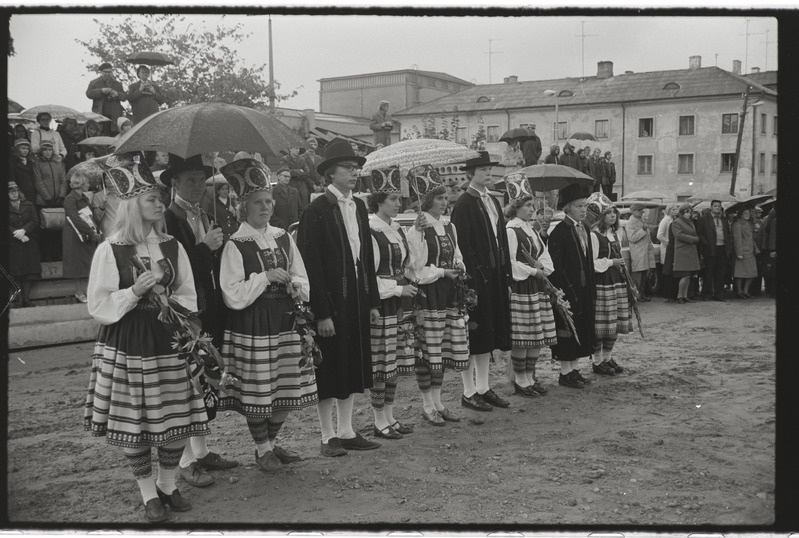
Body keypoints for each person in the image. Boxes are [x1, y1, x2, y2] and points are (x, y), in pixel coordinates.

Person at [84, 152, 209, 522]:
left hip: (170, 338)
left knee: (177, 415)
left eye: (159, 198)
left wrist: (173, 305)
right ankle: (147, 492)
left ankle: (167, 484)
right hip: (130, 340)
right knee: (136, 422)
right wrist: (134, 292)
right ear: (132, 204)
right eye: (152, 199)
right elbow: (98, 304)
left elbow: (189, 293)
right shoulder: (111, 249)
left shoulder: (171, 245)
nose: (159, 204)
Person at [217, 158, 318, 472]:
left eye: (268, 202)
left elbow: (301, 276)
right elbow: (231, 292)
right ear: (244, 207)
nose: (265, 207)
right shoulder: (236, 244)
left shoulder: (283, 237)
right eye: (258, 202)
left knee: (287, 386)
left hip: (286, 319)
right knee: (259, 391)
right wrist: (264, 277)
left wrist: (294, 285)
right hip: (254, 323)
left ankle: (270, 445)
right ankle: (262, 450)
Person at [296, 138, 382, 457]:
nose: (354, 172)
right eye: (348, 167)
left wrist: (372, 301)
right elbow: (310, 264)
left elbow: (365, 257)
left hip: (356, 297)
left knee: (352, 362)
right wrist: (321, 312)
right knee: (330, 367)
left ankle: (346, 430)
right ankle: (326, 434)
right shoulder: (316, 210)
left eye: (356, 167)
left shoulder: (358, 206)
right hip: (331, 300)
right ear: (331, 172)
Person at [162, 154, 238, 487]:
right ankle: (185, 460)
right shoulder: (168, 219)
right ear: (174, 182)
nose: (197, 186)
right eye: (190, 180)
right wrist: (205, 247)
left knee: (206, 378)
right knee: (188, 383)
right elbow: (173, 268)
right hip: (185, 310)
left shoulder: (206, 214)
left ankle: (202, 450)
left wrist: (219, 247)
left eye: (201, 180)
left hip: (210, 305)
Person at [450, 151, 512, 412]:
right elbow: (461, 245)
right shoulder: (464, 203)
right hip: (475, 278)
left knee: (488, 333)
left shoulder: (493, 200)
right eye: (483, 170)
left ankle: (484, 387)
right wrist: (468, 280)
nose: (488, 173)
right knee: (473, 335)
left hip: (495, 275)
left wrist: (505, 272)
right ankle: (468, 391)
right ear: (470, 174)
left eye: (489, 169)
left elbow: (501, 238)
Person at [406, 166, 468, 425]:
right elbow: (416, 269)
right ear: (427, 201)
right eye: (439, 198)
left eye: (445, 198)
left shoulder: (449, 226)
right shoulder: (417, 230)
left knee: (442, 349)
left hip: (448, 294)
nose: (444, 202)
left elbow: (457, 255)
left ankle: (438, 402)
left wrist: (459, 266)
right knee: (428, 351)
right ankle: (427, 404)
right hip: (429, 295)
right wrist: (442, 271)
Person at [366, 166, 418, 437]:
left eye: (399, 198)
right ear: (378, 202)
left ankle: (389, 416)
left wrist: (418, 233)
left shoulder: (395, 229)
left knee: (394, 361)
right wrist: (398, 289)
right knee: (382, 363)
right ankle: (378, 420)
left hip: (399, 302)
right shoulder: (371, 231)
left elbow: (408, 264)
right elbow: (369, 277)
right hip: (384, 302)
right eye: (393, 199)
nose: (398, 203)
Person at [503, 176, 556, 397]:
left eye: (532, 205)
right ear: (516, 207)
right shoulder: (511, 230)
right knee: (523, 336)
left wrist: (543, 267)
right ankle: (520, 380)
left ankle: (530, 377)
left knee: (536, 335)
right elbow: (510, 262)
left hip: (536, 288)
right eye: (527, 205)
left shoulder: (531, 230)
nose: (532, 209)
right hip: (521, 288)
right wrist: (534, 271)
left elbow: (543, 253)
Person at [547, 182, 596, 388]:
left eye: (585, 206)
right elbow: (556, 266)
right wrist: (561, 292)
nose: (583, 210)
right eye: (579, 206)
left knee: (581, 328)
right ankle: (565, 372)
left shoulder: (584, 228)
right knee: (567, 330)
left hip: (583, 288)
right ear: (568, 208)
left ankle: (574, 369)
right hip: (567, 290)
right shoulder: (560, 232)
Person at [589, 202, 632, 375]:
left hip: (617, 281)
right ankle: (597, 361)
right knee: (602, 323)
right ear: (601, 216)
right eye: (608, 213)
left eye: (615, 212)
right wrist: (610, 262)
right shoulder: (594, 235)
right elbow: (591, 262)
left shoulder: (615, 233)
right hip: (602, 281)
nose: (613, 215)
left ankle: (607, 357)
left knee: (614, 322)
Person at [63, 172, 102, 303]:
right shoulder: (70, 199)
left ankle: (87, 290)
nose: (89, 185)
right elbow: (75, 218)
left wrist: (96, 230)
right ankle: (79, 291)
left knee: (87, 262)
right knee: (77, 263)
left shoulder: (84, 197)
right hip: (74, 234)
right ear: (81, 184)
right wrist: (91, 232)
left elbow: (89, 216)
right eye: (87, 183)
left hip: (86, 233)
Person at [7, 181, 41, 307]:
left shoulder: (28, 204)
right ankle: (19, 300)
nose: (13, 194)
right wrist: (17, 234)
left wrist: (24, 230)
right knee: (15, 272)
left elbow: (35, 220)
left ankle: (27, 299)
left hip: (28, 240)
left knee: (28, 271)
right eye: (10, 192)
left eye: (15, 191)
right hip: (12, 243)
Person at [696, 200, 732, 302]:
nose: (717, 208)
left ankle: (719, 294)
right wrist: (705, 243)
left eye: (719, 206)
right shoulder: (704, 219)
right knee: (709, 272)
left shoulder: (723, 219)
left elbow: (727, 233)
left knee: (721, 273)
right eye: (715, 206)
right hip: (710, 248)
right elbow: (699, 233)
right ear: (711, 207)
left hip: (722, 248)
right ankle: (706, 294)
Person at [85, 62, 127, 135]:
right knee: (100, 133)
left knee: (114, 134)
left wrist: (117, 94)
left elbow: (124, 97)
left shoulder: (117, 84)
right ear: (101, 72)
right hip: (100, 113)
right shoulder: (94, 83)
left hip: (115, 115)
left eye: (109, 72)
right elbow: (88, 94)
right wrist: (101, 91)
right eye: (105, 72)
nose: (107, 74)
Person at [671, 204, 701, 304]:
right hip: (682, 252)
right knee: (684, 275)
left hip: (691, 251)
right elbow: (678, 235)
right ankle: (680, 296)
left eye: (690, 212)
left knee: (689, 275)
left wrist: (695, 238)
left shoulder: (690, 222)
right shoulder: (676, 222)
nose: (689, 214)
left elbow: (694, 233)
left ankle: (685, 295)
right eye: (687, 212)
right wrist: (693, 239)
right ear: (682, 213)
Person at [627, 203, 656, 301]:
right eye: (640, 210)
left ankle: (642, 294)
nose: (642, 212)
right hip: (637, 252)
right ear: (634, 211)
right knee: (637, 275)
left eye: (642, 210)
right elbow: (632, 238)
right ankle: (636, 295)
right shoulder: (631, 223)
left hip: (644, 251)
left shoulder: (641, 220)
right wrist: (642, 230)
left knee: (644, 275)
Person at [732, 207, 759, 298]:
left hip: (750, 251)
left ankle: (745, 291)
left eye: (748, 213)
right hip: (743, 251)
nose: (747, 215)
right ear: (741, 214)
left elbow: (752, 237)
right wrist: (739, 253)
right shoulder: (737, 224)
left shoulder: (749, 223)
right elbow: (737, 239)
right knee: (740, 273)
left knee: (751, 272)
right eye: (745, 213)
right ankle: (740, 292)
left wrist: (755, 229)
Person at [657, 203, 678, 302]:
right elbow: (659, 235)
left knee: (671, 271)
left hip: (673, 248)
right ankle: (665, 294)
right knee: (667, 270)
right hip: (667, 248)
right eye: (673, 209)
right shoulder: (665, 220)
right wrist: (669, 243)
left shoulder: (674, 220)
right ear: (668, 210)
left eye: (676, 209)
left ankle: (671, 293)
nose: (675, 211)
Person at [9, 139, 37, 204]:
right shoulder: (12, 162)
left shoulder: (31, 162)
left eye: (27, 148)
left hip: (32, 193)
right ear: (17, 149)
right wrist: (19, 193)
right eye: (23, 148)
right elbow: (12, 180)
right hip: (21, 194)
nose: (25, 151)